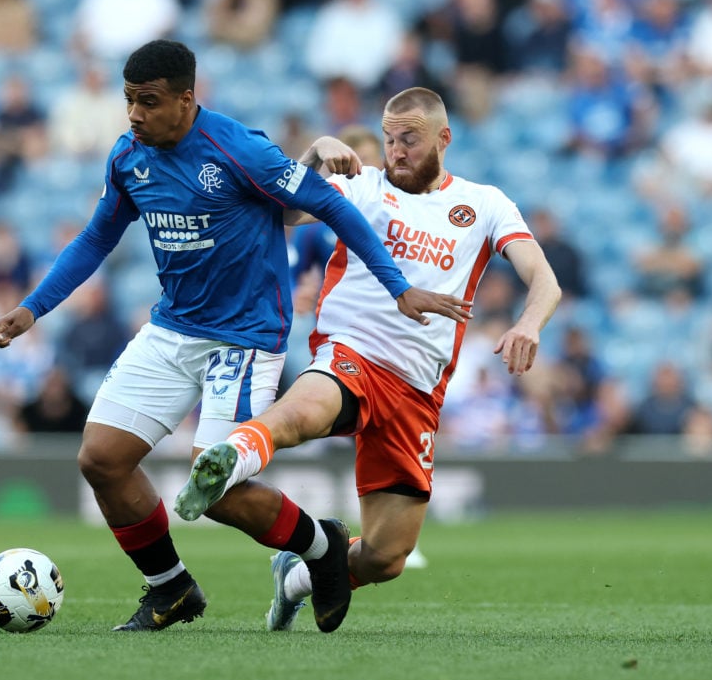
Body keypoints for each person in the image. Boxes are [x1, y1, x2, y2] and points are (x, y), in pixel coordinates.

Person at [0, 41, 471, 634]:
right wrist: (33, 309)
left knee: (214, 486)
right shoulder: (129, 156)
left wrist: (397, 287)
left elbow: (330, 206)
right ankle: (172, 589)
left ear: (186, 99)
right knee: (103, 460)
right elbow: (95, 238)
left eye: (149, 101)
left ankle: (322, 550)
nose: (135, 114)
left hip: (243, 338)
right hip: (173, 327)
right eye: (129, 101)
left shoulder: (239, 149)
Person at [175, 86, 561, 632]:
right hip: (351, 351)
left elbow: (543, 277)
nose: (396, 150)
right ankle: (227, 458)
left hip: (418, 390)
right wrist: (313, 153)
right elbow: (281, 211)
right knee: (305, 411)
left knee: (385, 558)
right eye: (388, 139)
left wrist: (528, 323)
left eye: (409, 139)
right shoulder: (361, 186)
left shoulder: (485, 204)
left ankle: (297, 576)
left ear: (443, 138)